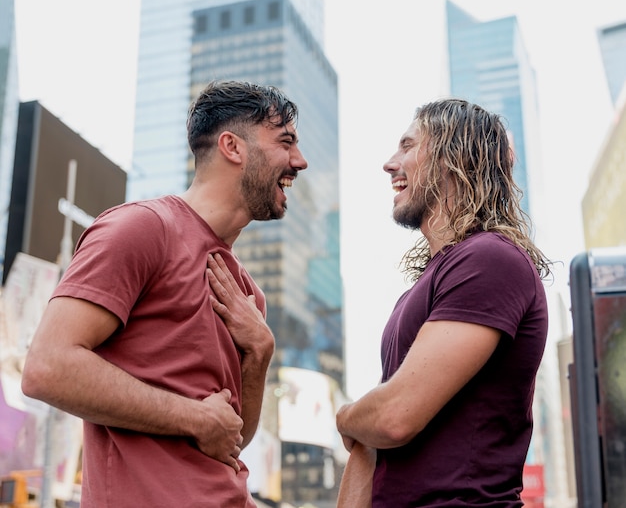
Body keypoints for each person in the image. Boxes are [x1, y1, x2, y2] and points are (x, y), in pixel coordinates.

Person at [21, 80, 308, 507]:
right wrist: (193, 416)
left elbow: (231, 437)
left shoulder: (248, 297)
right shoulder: (140, 229)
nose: (299, 161)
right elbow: (47, 367)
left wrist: (260, 352)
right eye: (286, 142)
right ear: (233, 146)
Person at [335, 98, 552, 507]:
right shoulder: (431, 281)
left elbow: (393, 416)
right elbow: (372, 445)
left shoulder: (490, 259)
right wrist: (362, 423)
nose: (389, 163)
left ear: (453, 157)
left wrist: (346, 417)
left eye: (408, 145)